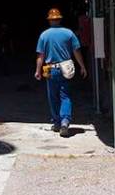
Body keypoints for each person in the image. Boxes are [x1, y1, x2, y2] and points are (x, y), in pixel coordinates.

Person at [35, 8, 87, 138]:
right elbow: (76, 51)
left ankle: (57, 122)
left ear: (49, 20)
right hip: (65, 69)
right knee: (65, 95)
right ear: (59, 19)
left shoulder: (44, 35)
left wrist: (37, 71)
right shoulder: (69, 33)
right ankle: (65, 121)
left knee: (53, 97)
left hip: (51, 69)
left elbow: (40, 55)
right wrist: (82, 66)